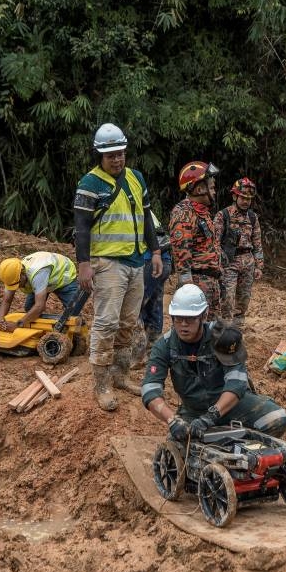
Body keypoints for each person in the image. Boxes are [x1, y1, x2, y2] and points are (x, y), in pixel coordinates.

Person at [73, 123, 162, 411]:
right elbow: (82, 228)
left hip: (137, 262)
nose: (117, 159)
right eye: (111, 155)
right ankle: (101, 384)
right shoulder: (90, 184)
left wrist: (156, 251)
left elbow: (147, 217)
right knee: (106, 322)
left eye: (120, 153)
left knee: (127, 322)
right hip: (107, 262)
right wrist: (84, 264)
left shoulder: (136, 178)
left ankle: (120, 375)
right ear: (100, 155)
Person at [142, 284, 286, 440]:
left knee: (276, 418)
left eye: (190, 318)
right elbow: (150, 390)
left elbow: (237, 383)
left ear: (203, 316)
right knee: (179, 445)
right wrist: (172, 420)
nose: (183, 324)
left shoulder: (223, 337)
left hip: (231, 405)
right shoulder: (164, 346)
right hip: (194, 412)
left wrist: (212, 415)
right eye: (178, 318)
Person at [168, 161, 224, 320]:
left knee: (211, 332)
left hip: (210, 282)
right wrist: (189, 291)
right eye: (212, 188)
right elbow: (182, 255)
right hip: (197, 283)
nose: (215, 192)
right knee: (195, 330)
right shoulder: (184, 213)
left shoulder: (203, 213)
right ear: (199, 189)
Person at [215, 177, 264, 329]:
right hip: (229, 261)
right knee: (227, 298)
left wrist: (259, 266)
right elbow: (215, 242)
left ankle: (238, 329)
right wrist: (218, 264)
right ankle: (226, 330)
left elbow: (257, 243)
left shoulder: (252, 217)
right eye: (243, 197)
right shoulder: (223, 215)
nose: (246, 201)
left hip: (248, 262)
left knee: (243, 299)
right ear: (235, 196)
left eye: (249, 199)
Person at [0, 251, 83, 330]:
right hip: (43, 279)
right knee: (30, 309)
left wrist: (17, 325)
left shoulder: (37, 274)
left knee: (73, 313)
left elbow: (40, 306)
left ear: (22, 273)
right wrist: (0, 318)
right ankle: (40, 330)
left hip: (63, 276)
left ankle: (77, 334)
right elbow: (7, 300)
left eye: (18, 284)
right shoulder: (12, 275)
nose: (17, 287)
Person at [139, 212, 173, 345]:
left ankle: (138, 347)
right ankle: (153, 343)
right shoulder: (147, 210)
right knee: (154, 302)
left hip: (150, 261)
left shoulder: (134, 207)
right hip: (164, 261)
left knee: (137, 305)